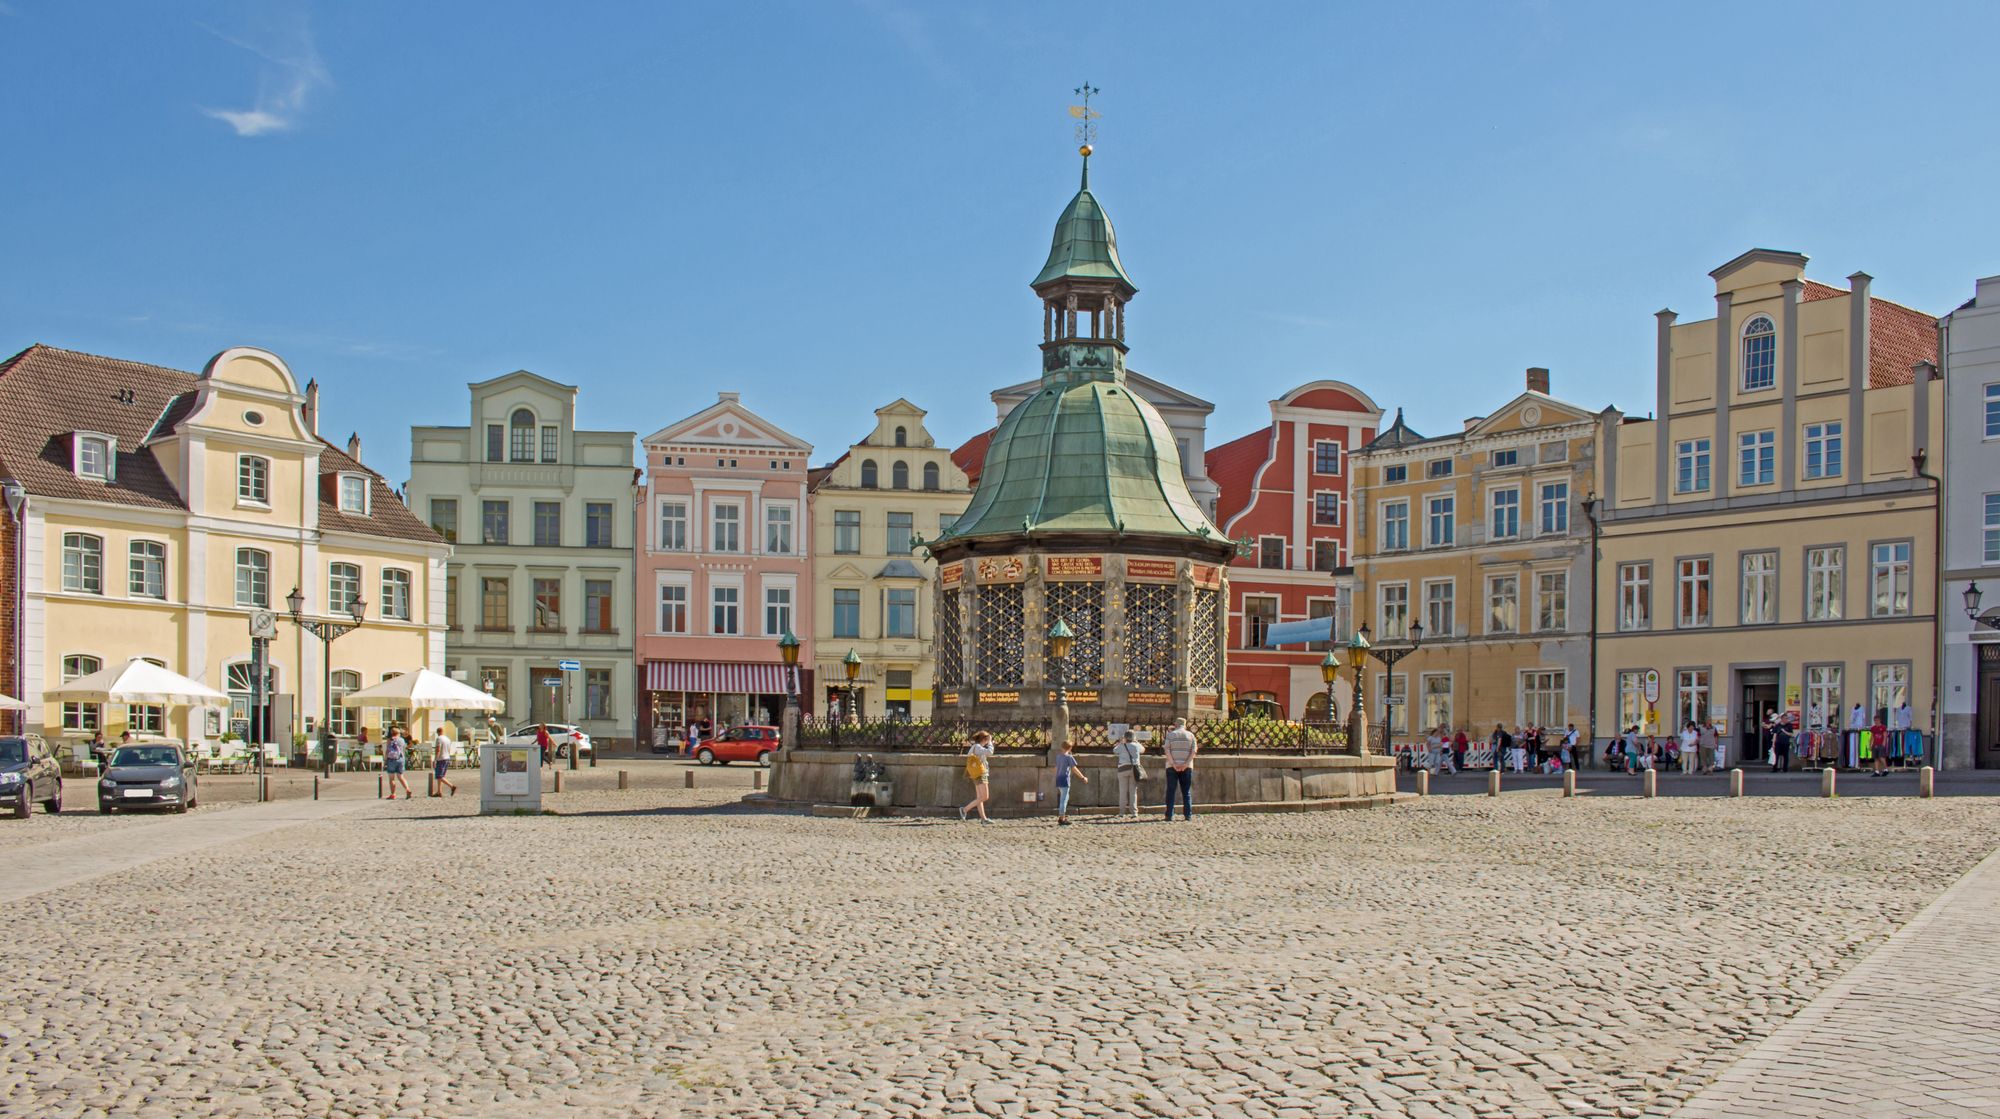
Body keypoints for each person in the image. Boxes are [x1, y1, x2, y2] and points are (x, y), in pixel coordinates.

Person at [1162, 717, 1198, 822]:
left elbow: (1167, 750)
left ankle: (1169, 815)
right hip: (1187, 767)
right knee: (1186, 792)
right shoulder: (1191, 735)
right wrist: (1186, 764)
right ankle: (1188, 815)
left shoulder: (1170, 735)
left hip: (1171, 766)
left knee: (1171, 791)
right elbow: (1194, 751)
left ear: (1175, 724)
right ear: (1185, 725)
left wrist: (1173, 763)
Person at [959, 731, 995, 823]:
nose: (988, 741)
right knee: (985, 797)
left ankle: (983, 819)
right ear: (984, 739)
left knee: (980, 797)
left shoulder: (975, 747)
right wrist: (990, 742)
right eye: (987, 739)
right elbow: (990, 752)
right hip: (980, 774)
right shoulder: (978, 747)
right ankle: (964, 809)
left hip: (975, 774)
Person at [1053, 740, 1089, 825]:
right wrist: (1083, 777)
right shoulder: (1069, 757)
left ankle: (1062, 816)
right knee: (1064, 800)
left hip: (1058, 779)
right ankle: (1062, 818)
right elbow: (1074, 769)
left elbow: (1055, 768)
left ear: (1061, 747)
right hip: (1065, 779)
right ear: (1070, 748)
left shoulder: (1058, 757)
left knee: (1064, 798)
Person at [1112, 729, 1145, 819]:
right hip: (1134, 769)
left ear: (1125, 737)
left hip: (1123, 769)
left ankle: (1121, 812)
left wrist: (1121, 742)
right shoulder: (1136, 745)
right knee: (1133, 791)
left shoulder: (1122, 745)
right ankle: (1134, 812)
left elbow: (1114, 750)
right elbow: (1143, 750)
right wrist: (1136, 741)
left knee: (1122, 791)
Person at [382, 727, 413, 799]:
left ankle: (393, 794)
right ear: (398, 733)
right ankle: (407, 789)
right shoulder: (402, 740)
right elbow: (404, 748)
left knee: (392, 778)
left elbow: (387, 750)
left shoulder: (389, 740)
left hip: (391, 760)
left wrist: (385, 760)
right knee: (401, 777)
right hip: (401, 759)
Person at [431, 728, 457, 796]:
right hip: (447, 758)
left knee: (439, 776)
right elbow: (449, 749)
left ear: (437, 732)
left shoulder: (439, 739)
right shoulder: (447, 739)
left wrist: (435, 760)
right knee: (441, 775)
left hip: (441, 759)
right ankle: (439, 791)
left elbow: (438, 750)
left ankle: (452, 786)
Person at [1870, 710, 1890, 777]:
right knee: (1876, 758)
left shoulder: (1883, 727)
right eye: (1875, 720)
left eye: (1877, 720)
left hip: (1880, 744)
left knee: (1881, 757)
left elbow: (1885, 736)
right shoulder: (1873, 728)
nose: (1876, 721)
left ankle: (1886, 769)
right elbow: (1872, 737)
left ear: (1879, 720)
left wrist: (1884, 744)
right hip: (1875, 744)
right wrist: (1870, 745)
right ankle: (1877, 771)